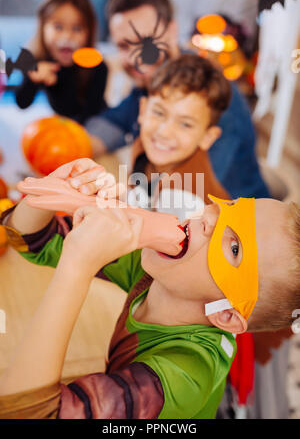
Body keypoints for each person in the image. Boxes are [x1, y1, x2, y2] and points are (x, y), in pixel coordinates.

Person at [0, 158, 299, 419]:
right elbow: (35, 240)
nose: (209, 218)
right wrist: (57, 192)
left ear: (228, 315)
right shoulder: (157, 274)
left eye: (234, 248)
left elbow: (27, 411)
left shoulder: (186, 375)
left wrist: (77, 267)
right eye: (230, 208)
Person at [85, 0, 270, 200]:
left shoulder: (213, 99)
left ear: (172, 30)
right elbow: (113, 124)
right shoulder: (153, 83)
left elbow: (189, 196)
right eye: (125, 46)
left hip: (233, 221)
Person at [128, 53, 231, 221]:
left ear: (208, 137)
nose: (164, 132)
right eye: (159, 113)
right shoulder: (142, 147)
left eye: (185, 124)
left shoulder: (190, 204)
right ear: (143, 110)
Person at [15, 0, 108, 124]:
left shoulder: (98, 68)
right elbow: (21, 103)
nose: (67, 36)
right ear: (43, 27)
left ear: (89, 32)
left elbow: (91, 114)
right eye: (58, 27)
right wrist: (33, 79)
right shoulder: (38, 62)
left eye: (77, 28)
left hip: (95, 124)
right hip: (64, 123)